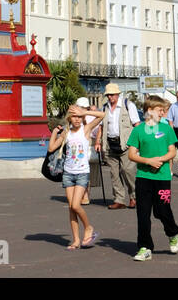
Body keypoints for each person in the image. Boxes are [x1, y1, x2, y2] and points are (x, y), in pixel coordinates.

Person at [126, 96, 178, 261]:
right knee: (143, 214)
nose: (163, 113)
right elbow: (131, 154)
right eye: (160, 110)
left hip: (163, 177)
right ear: (149, 111)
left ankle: (173, 232)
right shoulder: (138, 130)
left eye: (163, 110)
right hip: (143, 177)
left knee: (161, 210)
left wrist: (161, 160)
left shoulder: (166, 129)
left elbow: (172, 152)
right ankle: (145, 247)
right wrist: (147, 161)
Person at [48, 102, 106, 249]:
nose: (77, 119)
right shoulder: (66, 133)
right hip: (68, 173)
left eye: (79, 117)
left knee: (76, 205)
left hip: (82, 173)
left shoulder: (86, 130)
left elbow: (102, 115)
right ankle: (75, 240)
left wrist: (84, 112)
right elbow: (51, 148)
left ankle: (88, 227)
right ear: (69, 118)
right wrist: (55, 132)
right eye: (74, 116)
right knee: (71, 208)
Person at [97, 84, 140, 210]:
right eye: (108, 95)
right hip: (110, 144)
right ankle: (119, 199)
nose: (110, 97)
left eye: (112, 94)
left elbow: (137, 125)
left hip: (126, 144)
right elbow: (101, 126)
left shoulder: (128, 105)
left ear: (118, 94)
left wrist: (138, 144)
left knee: (128, 171)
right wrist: (98, 142)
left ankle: (134, 197)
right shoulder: (104, 108)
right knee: (114, 174)